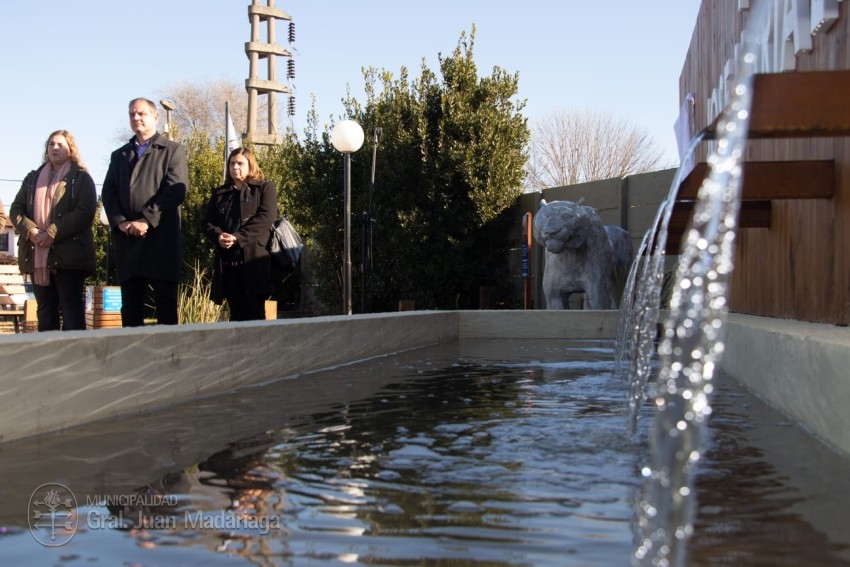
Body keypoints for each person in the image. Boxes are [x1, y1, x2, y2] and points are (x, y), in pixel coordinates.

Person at [102, 98, 188, 327]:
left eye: (142, 113)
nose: (136, 118)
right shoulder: (119, 155)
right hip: (128, 241)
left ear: (155, 116)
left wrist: (146, 219)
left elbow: (175, 191)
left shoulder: (173, 151)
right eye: (132, 114)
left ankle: (170, 359)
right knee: (130, 307)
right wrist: (121, 222)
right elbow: (108, 193)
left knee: (165, 305)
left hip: (161, 240)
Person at [8, 130, 97, 331]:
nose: (54, 148)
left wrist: (52, 233)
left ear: (71, 149)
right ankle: (49, 358)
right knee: (45, 310)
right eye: (51, 144)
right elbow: (16, 209)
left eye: (60, 145)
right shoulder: (32, 179)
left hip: (69, 257)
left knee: (71, 309)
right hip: (36, 255)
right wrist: (31, 231)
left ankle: (74, 357)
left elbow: (85, 211)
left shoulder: (81, 178)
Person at [203, 147, 277, 321]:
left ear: (250, 165)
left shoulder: (264, 188)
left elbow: (266, 217)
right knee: (235, 314)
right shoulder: (220, 193)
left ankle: (258, 348)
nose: (235, 167)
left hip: (254, 261)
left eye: (240, 163)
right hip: (228, 263)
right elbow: (207, 223)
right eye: (232, 163)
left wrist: (238, 237)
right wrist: (218, 236)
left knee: (256, 313)